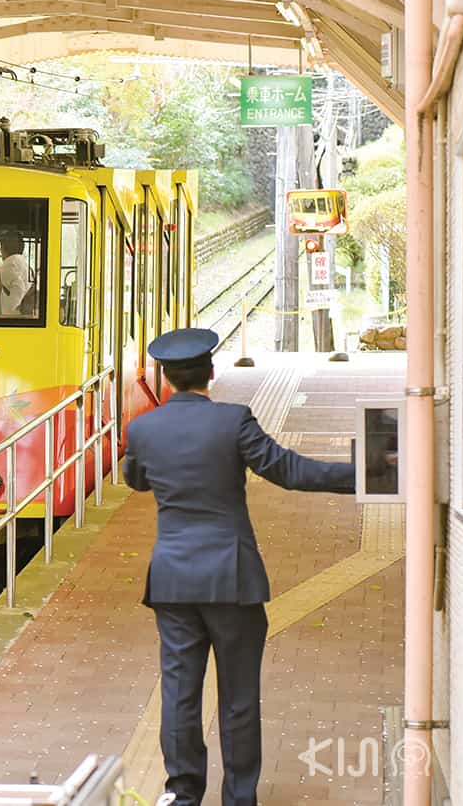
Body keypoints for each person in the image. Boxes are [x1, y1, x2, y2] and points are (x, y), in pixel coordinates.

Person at [122, 328, 355, 806]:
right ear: (211, 372)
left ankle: (183, 793)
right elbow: (288, 471)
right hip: (232, 580)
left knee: (180, 692)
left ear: (166, 379)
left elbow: (137, 479)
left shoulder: (144, 429)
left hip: (172, 581)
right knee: (239, 697)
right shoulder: (233, 422)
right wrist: (362, 473)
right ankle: (239, 797)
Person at [0, 229, 31, 315]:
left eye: (1, 248)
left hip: (13, 316)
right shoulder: (22, 262)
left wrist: (15, 309)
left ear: (5, 249)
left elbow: (19, 287)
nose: (0, 251)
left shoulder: (9, 264)